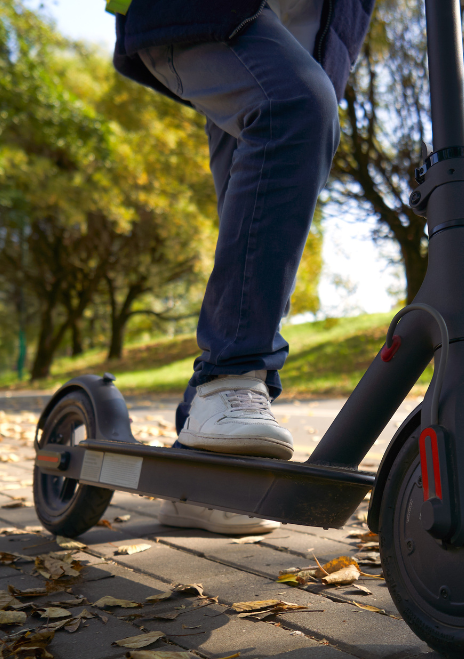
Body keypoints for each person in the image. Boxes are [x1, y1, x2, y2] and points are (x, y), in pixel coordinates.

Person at [110, 0, 375, 534]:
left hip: (304, 32)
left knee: (261, 191)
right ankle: (228, 380)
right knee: (293, 107)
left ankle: (199, 472)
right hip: (207, 12)